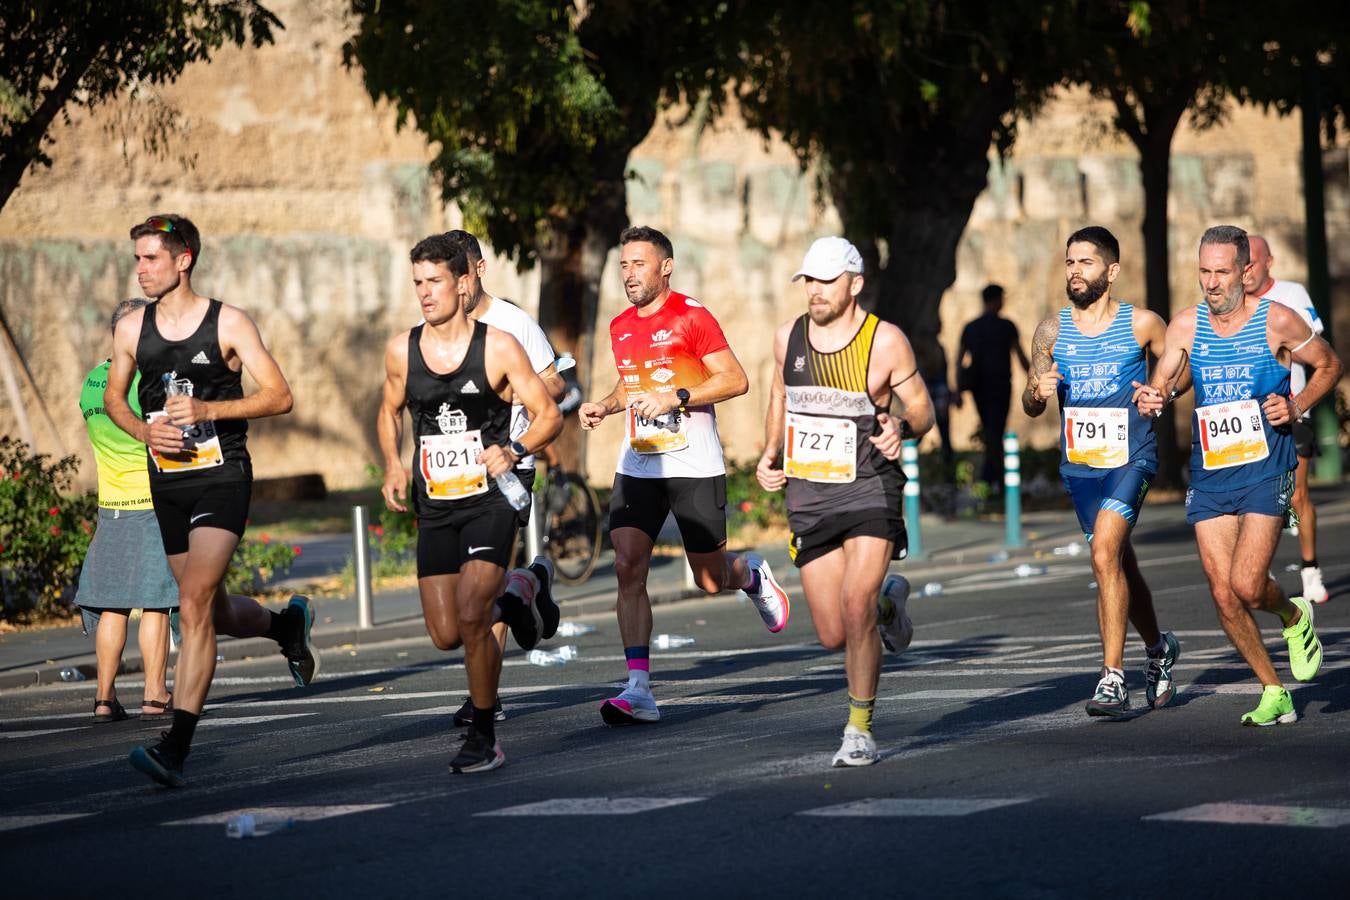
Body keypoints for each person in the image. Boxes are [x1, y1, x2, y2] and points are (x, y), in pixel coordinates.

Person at [106, 214, 318, 788]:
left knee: (194, 604)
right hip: (166, 481)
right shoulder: (131, 329)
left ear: (184, 259)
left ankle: (175, 747)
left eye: (151, 258)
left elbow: (280, 396)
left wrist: (208, 411)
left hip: (223, 478)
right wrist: (144, 433)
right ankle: (285, 626)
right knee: (212, 609)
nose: (141, 269)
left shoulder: (229, 323)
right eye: (137, 259)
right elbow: (113, 401)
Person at [579, 225, 790, 726]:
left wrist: (677, 396)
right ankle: (638, 688)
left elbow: (735, 380)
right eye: (624, 265)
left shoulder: (692, 318)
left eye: (639, 264)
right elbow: (631, 383)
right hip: (639, 461)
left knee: (710, 580)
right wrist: (607, 406)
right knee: (629, 565)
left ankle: (752, 575)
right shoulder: (620, 326)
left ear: (665, 267)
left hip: (693, 460)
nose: (629, 274)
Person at [1135, 225, 1341, 726]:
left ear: (1246, 271)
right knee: (1223, 592)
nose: (1211, 282)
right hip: (1210, 477)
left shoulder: (1278, 321)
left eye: (1221, 271)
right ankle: (1273, 690)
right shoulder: (1186, 326)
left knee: (1249, 585)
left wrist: (1295, 406)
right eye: (1204, 271)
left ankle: (1293, 616)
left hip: (1266, 469)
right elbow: (1165, 384)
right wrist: (1152, 399)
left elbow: (1329, 365)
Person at [378, 234, 562, 772]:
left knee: (473, 615)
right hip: (435, 505)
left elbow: (548, 413)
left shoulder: (500, 345)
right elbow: (388, 410)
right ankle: (524, 587)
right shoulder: (401, 349)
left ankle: (484, 734)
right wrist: (393, 461)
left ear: (463, 284)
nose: (425, 293)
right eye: (417, 283)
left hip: (490, 502)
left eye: (434, 281)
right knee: (445, 634)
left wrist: (516, 448)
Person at [756, 237, 933, 766]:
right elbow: (779, 398)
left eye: (826, 281)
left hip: (869, 487)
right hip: (809, 494)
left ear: (855, 284)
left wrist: (902, 426)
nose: (815, 291)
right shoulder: (787, 336)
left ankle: (859, 729)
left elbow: (922, 407)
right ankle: (888, 606)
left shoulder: (885, 342)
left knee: (854, 606)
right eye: (808, 280)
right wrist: (769, 455)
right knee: (835, 631)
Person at [1023, 227, 1178, 718]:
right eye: (1070, 262)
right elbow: (1029, 402)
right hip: (1082, 469)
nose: (1075, 271)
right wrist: (1037, 394)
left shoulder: (1143, 324)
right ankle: (1159, 649)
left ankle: (1112, 678)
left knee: (1105, 552)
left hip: (1132, 458)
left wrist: (1161, 392)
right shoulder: (1051, 331)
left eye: (1086, 263)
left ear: (1110, 271)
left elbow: (1180, 364)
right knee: (1117, 564)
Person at [440, 229, 566, 728]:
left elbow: (555, 382)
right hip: (454, 476)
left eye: (461, 277)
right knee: (459, 595)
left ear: (477, 270)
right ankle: (532, 580)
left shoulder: (512, 323)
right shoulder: (438, 330)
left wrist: (516, 391)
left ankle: (483, 698)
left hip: (510, 465)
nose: (457, 288)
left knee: (483, 588)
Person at [76, 298, 178, 724]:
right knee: (155, 602)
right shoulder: (148, 382)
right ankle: (154, 694)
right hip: (152, 505)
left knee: (113, 604)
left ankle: (104, 697)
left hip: (110, 507)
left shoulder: (93, 382)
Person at [1245, 235, 1330, 604]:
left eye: (1253, 262)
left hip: (1291, 410)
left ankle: (1311, 570)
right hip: (1247, 417)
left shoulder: (1292, 295)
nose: (1246, 270)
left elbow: (1315, 351)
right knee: (1251, 500)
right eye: (1241, 262)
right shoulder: (1229, 302)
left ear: (1269, 262)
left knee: (1296, 495)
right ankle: (1259, 569)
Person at [958, 284, 1030, 490]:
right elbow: (1020, 355)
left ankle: (991, 478)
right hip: (998, 387)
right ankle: (993, 479)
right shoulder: (1006, 326)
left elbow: (959, 359)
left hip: (979, 388)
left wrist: (957, 389)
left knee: (992, 431)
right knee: (995, 430)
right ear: (996, 300)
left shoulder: (972, 327)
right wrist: (1033, 380)